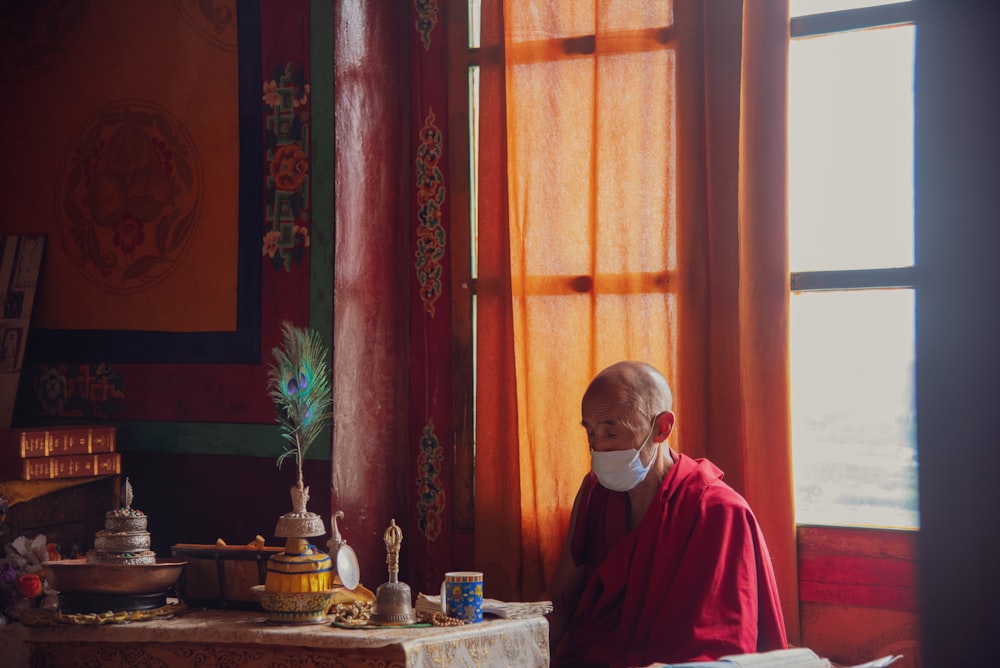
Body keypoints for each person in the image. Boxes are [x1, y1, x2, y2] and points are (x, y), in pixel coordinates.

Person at [547, 361, 787, 667]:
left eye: (612, 433)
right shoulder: (596, 493)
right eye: (591, 434)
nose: (598, 449)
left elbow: (723, 646)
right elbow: (561, 598)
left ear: (661, 428)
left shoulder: (718, 511)